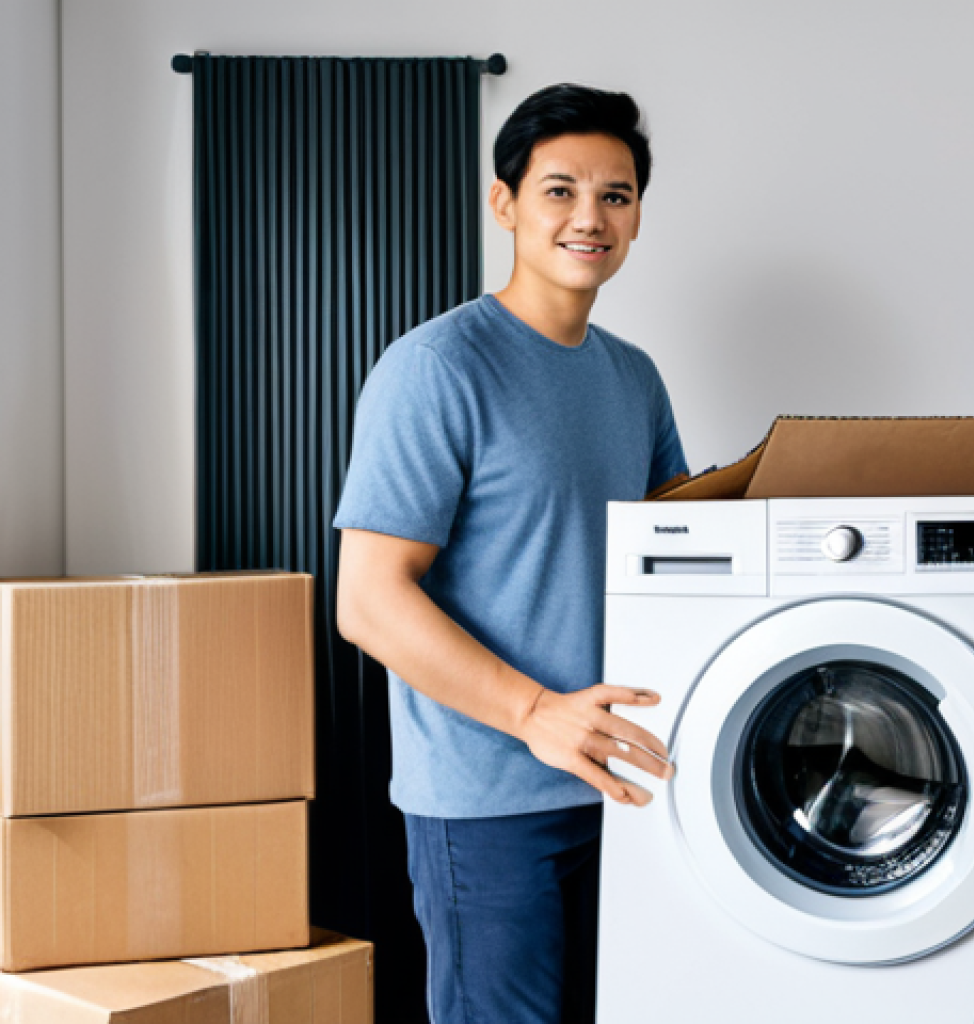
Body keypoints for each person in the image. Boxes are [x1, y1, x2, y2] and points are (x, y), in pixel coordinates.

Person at [334, 83, 688, 1024]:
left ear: (638, 215)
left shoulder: (633, 377)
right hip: (488, 802)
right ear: (506, 204)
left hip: (620, 782)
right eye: (560, 190)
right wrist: (535, 714)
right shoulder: (437, 366)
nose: (590, 217)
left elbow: (678, 557)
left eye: (615, 195)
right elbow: (367, 600)